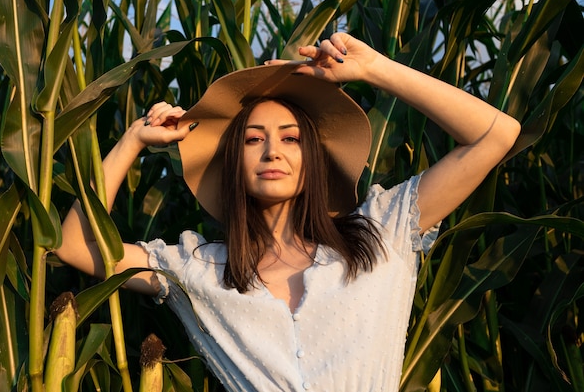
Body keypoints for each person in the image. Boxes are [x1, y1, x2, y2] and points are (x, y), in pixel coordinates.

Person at [56, 32, 521, 391]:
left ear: (313, 159)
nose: (272, 151)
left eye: (291, 138)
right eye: (254, 139)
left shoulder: (383, 231)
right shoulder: (197, 270)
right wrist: (132, 140)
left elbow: (497, 135)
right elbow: (74, 245)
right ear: (233, 162)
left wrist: (375, 68)